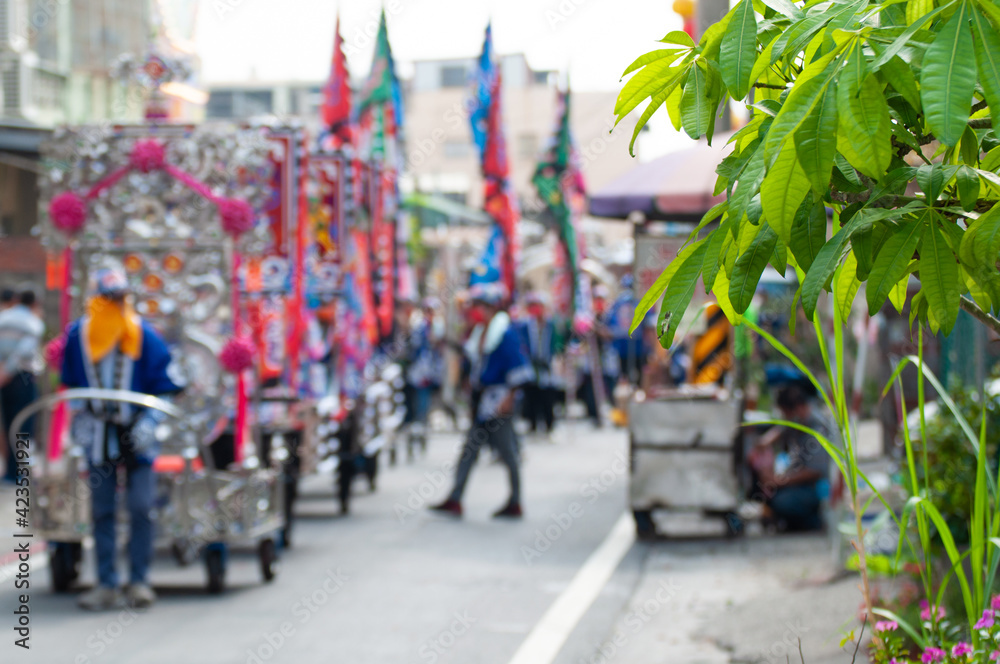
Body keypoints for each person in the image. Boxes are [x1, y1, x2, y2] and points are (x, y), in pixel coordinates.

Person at [61, 268, 184, 610]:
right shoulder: (78, 336)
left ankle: (139, 581)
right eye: (108, 298)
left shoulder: (142, 333)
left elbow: (169, 386)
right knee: (101, 510)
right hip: (99, 435)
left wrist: (152, 420)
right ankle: (106, 583)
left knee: (141, 508)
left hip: (137, 435)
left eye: (120, 297)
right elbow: (71, 384)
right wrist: (80, 419)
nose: (115, 304)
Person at [431, 283, 532, 519]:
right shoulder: (478, 334)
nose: (475, 311)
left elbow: (519, 370)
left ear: (490, 308)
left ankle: (515, 502)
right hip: (482, 402)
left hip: (498, 402)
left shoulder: (505, 334)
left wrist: (509, 399)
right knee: (469, 451)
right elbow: (474, 363)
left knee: (507, 452)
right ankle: (455, 499)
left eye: (479, 306)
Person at [748, 385, 834, 531]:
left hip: (815, 489)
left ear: (799, 408)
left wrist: (780, 481)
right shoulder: (799, 421)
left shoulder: (817, 429)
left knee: (782, 501)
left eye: (785, 415)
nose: (785, 419)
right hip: (797, 483)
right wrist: (764, 443)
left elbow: (814, 472)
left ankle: (813, 522)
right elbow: (781, 430)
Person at [0, 288, 45, 483]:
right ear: (35, 304)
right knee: (25, 426)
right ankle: (22, 472)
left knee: (9, 424)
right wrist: (8, 370)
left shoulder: (4, 318)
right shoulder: (33, 323)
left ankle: (11, 471)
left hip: (4, 379)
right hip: (22, 378)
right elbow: (25, 351)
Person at [403, 297, 443, 458]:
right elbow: (414, 350)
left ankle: (421, 430)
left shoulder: (437, 328)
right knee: (418, 405)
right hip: (418, 374)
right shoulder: (419, 328)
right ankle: (415, 432)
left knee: (424, 406)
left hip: (431, 374)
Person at [516, 293, 559, 436]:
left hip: (548, 365)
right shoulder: (524, 326)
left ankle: (549, 424)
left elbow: (558, 344)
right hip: (531, 365)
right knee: (531, 395)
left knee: (547, 396)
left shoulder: (552, 325)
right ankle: (532, 423)